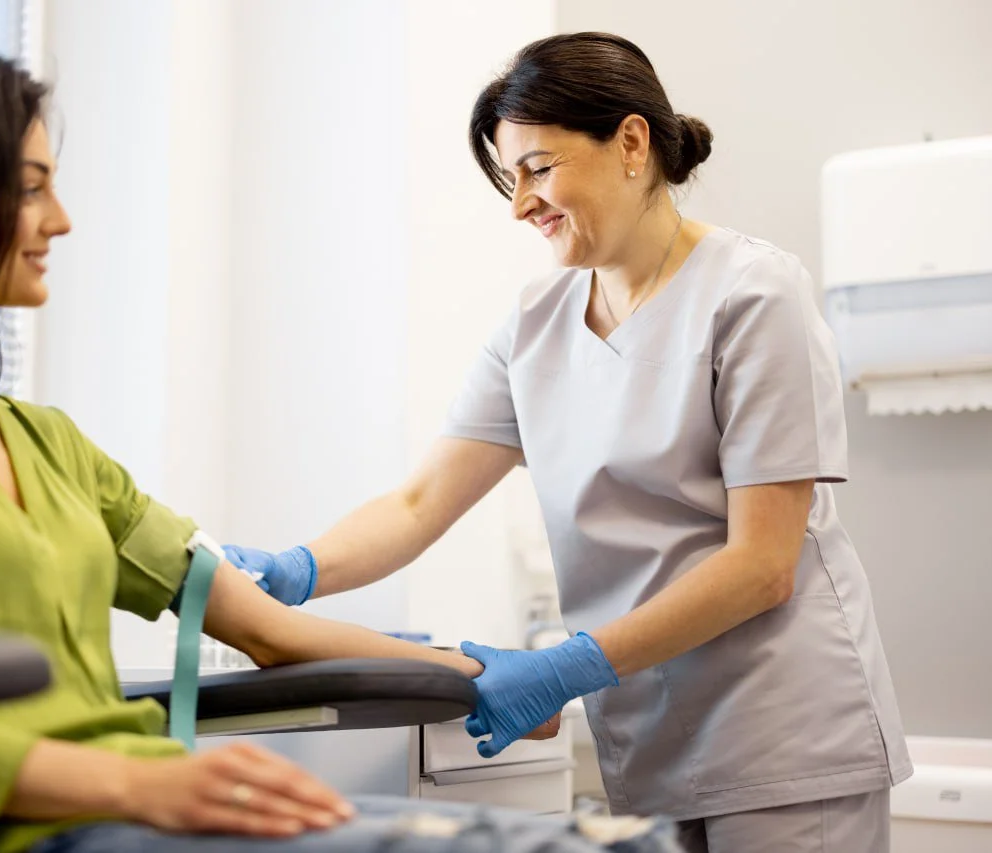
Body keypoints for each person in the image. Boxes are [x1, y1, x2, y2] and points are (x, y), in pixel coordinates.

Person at [0, 49, 683, 853]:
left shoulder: (40, 440)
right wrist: (144, 788)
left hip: (142, 801)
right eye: (32, 191)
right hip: (31, 825)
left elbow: (270, 626)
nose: (62, 222)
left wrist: (496, 671)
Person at [223, 32, 912, 853]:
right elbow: (417, 505)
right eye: (510, 179)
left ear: (630, 142)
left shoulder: (754, 293)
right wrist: (293, 571)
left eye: (539, 168)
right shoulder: (534, 325)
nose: (521, 204)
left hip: (787, 735)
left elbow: (761, 566)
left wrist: (564, 666)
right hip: (649, 738)